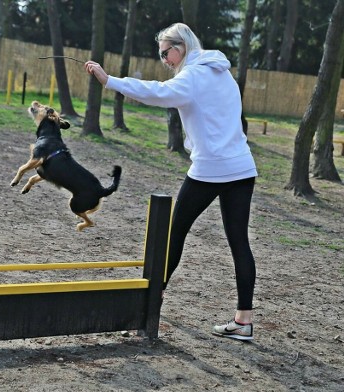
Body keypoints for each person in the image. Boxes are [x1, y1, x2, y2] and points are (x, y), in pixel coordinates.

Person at [84, 22, 258, 341]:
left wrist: (110, 81)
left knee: (174, 234)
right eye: (161, 55)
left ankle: (150, 302)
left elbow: (157, 93)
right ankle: (243, 321)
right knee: (239, 242)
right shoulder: (222, 72)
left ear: (181, 47)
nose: (165, 60)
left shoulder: (192, 76)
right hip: (242, 167)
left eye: (166, 53)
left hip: (211, 168)